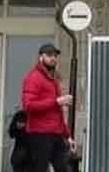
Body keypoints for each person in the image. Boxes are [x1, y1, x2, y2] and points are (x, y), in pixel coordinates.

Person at [21, 43, 75, 172]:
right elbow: (28, 106)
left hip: (56, 134)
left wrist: (68, 136)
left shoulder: (53, 80)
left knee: (64, 168)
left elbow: (57, 113)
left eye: (55, 55)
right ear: (41, 57)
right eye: (49, 55)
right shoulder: (34, 77)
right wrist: (56, 101)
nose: (53, 58)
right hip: (40, 134)